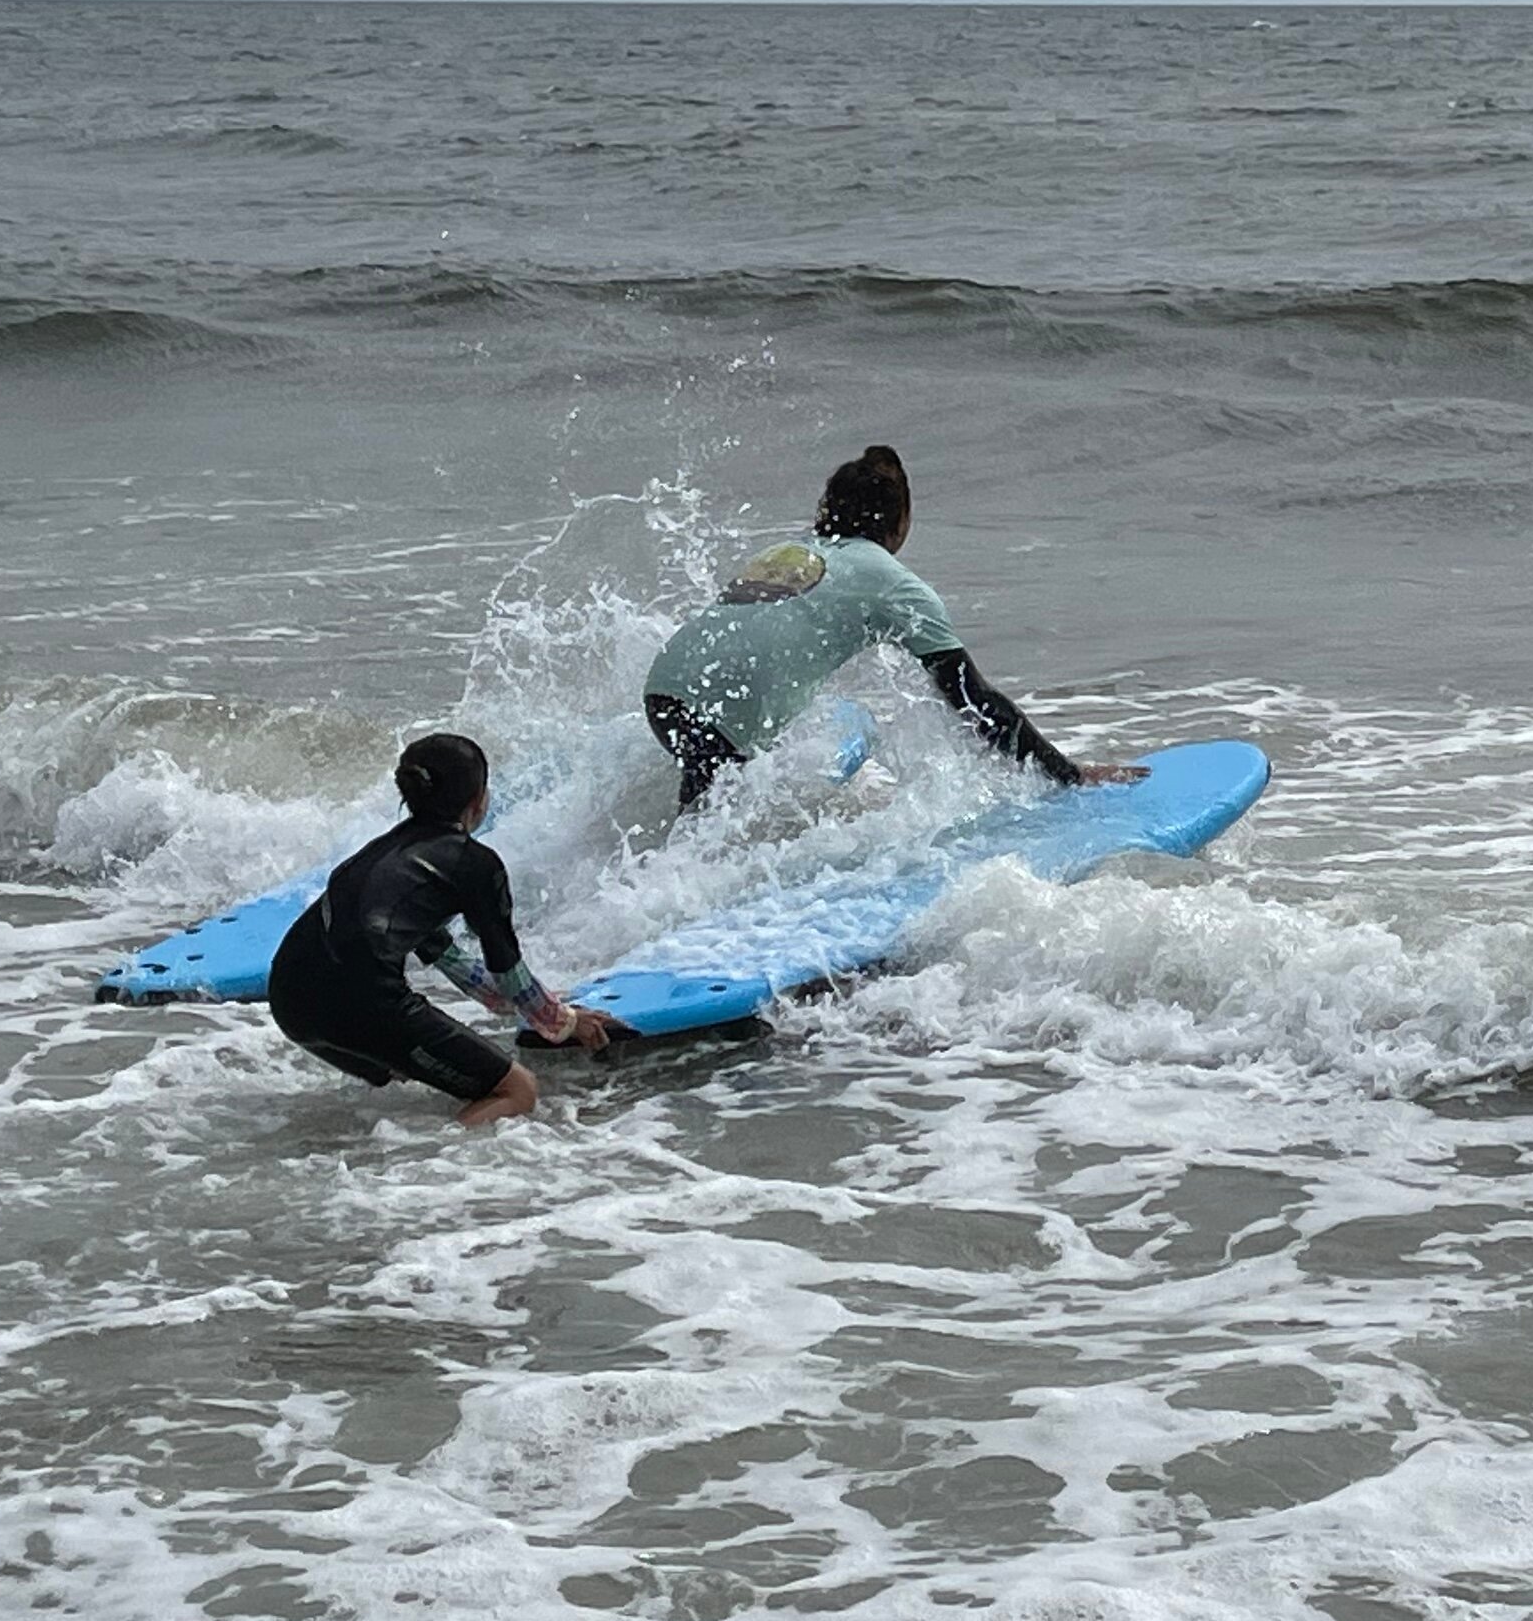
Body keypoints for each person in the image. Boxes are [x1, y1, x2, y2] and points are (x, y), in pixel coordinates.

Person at [643, 444, 1131, 812]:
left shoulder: (785, 553)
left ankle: (651, 892)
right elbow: (973, 698)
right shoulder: (895, 584)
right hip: (725, 713)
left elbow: (752, 636)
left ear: (825, 511)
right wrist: (1066, 774)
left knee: (706, 804)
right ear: (900, 521)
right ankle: (681, 922)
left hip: (663, 690)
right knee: (712, 815)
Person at [267, 731, 620, 1121]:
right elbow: (509, 977)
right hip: (361, 1002)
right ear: (479, 800)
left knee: (409, 1079)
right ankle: (432, 1172)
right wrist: (566, 1023)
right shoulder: (476, 865)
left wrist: (551, 1016)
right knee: (517, 1090)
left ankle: (379, 1161)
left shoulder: (386, 854)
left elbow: (451, 961)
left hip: (290, 998)